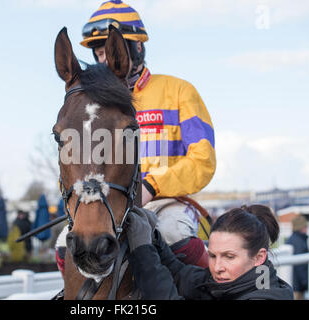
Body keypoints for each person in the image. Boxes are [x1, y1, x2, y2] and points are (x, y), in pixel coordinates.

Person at [53, 0, 216, 275]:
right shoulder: (92, 104)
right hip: (111, 199)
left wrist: (151, 186)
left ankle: (210, 291)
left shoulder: (180, 91)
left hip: (167, 201)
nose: (106, 60)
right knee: (63, 245)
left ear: (137, 47)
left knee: (173, 233)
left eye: (112, 50)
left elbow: (204, 161)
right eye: (100, 53)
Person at [126, 204, 294, 300]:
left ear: (258, 257)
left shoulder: (264, 297)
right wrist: (155, 239)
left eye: (229, 257)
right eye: (212, 255)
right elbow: (179, 274)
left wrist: (143, 253)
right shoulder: (230, 282)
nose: (217, 267)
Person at [286, 215, 309, 300]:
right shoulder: (298, 241)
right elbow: (300, 265)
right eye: (305, 226)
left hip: (295, 282)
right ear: (300, 227)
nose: (307, 228)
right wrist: (305, 282)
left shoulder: (296, 238)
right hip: (297, 284)